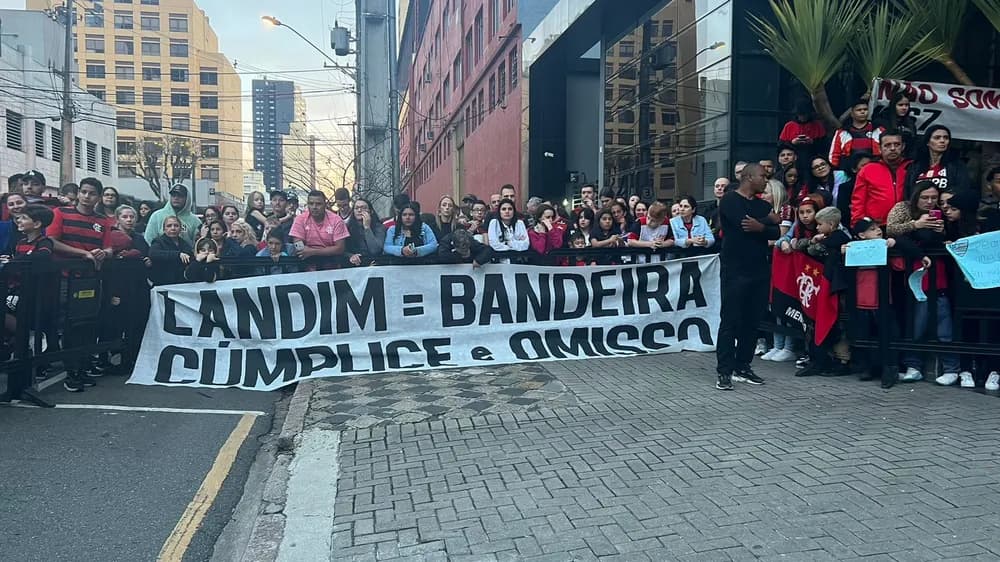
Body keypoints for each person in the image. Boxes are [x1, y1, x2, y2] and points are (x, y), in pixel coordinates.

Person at [886, 181, 959, 385]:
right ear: (916, 196)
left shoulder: (942, 213)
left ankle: (952, 367)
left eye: (933, 198)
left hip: (939, 275)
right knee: (914, 325)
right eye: (925, 197)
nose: (930, 202)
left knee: (944, 324)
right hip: (912, 275)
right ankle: (913, 366)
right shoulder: (904, 209)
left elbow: (953, 234)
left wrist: (944, 232)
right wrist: (916, 225)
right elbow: (891, 231)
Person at [715, 163, 780, 390]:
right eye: (763, 176)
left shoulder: (761, 204)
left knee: (752, 322)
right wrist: (766, 222)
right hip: (735, 270)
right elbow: (744, 224)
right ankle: (724, 370)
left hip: (759, 270)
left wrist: (761, 227)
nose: (766, 179)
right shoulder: (730, 200)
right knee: (730, 320)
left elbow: (777, 228)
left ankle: (743, 365)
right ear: (749, 177)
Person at [49, 178, 115, 391]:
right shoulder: (61, 213)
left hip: (92, 279)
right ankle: (71, 372)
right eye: (84, 192)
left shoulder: (102, 220)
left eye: (92, 193)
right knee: (70, 324)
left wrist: (101, 253)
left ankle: (82, 366)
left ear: (98, 197)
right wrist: (83, 253)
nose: (87, 196)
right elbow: (51, 241)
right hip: (67, 278)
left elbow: (109, 248)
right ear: (78, 193)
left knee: (87, 323)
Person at [0, 205, 54, 349]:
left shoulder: (44, 242)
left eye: (24, 218)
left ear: (37, 224)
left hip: (33, 291)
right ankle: (20, 335)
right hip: (16, 288)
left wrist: (16, 260)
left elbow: (43, 255)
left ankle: (27, 334)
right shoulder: (21, 243)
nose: (19, 220)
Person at [850, 131, 910, 225]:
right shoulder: (868, 169)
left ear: (903, 146)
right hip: (876, 225)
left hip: (906, 223)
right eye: (887, 145)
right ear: (880, 148)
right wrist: (858, 224)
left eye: (897, 144)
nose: (893, 148)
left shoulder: (912, 167)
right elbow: (858, 201)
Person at [904, 124, 970, 198]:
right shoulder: (915, 166)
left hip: (946, 207)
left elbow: (962, 189)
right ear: (927, 142)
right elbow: (908, 192)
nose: (942, 141)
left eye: (946, 138)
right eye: (937, 138)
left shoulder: (957, 165)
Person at [289, 190, 350, 268]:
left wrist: (313, 252)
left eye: (318, 204)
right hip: (307, 264)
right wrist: (305, 251)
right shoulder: (300, 219)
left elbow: (340, 248)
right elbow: (298, 245)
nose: (314, 207)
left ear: (325, 205)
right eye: (311, 204)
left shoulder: (336, 220)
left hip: (332, 264)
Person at [830, 97, 882, 169]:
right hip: (848, 172)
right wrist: (838, 170)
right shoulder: (842, 132)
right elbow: (834, 155)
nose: (862, 112)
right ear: (852, 113)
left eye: (865, 109)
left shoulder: (878, 129)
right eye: (859, 110)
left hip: (874, 169)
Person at [148, 215, 195, 286]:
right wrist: (178, 254)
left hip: (181, 283)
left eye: (176, 225)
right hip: (163, 283)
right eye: (169, 226)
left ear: (180, 228)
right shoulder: (158, 241)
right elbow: (153, 254)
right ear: (164, 229)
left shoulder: (184, 243)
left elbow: (190, 256)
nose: (173, 228)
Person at [835, 152, 874, 229]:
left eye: (871, 165)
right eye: (864, 165)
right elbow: (844, 214)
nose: (869, 168)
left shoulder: (879, 183)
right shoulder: (845, 188)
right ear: (854, 169)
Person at [874, 90, 918, 157]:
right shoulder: (881, 122)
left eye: (906, 105)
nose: (904, 108)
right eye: (900, 105)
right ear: (893, 105)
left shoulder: (911, 123)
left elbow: (914, 145)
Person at [345, 198, 386, 266]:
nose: (359, 210)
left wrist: (367, 227)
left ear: (371, 211)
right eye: (356, 208)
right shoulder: (347, 227)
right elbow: (342, 250)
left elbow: (375, 250)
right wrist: (350, 256)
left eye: (363, 208)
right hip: (354, 266)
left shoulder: (379, 227)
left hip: (375, 264)